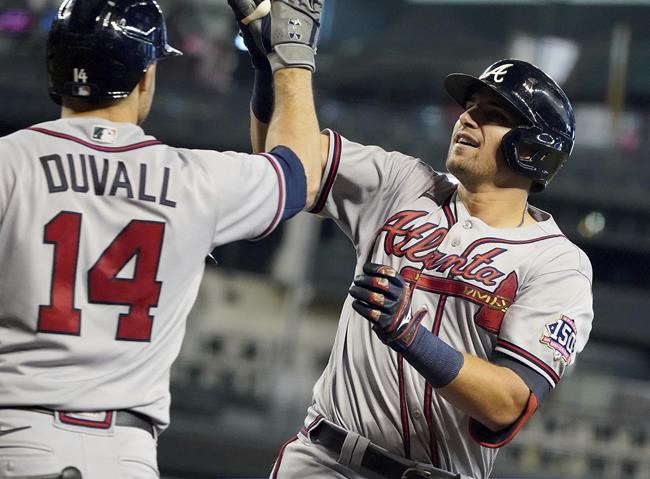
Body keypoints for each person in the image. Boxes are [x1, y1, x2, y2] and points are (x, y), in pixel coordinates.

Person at [236, 20, 594, 478]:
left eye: (494, 114)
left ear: (534, 151)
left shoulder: (557, 264)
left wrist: (411, 334)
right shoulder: (403, 183)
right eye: (470, 107)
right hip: (323, 459)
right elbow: (285, 164)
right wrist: (276, 68)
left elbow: (508, 404)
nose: (467, 117)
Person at [0, 0, 322, 478]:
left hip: (17, 438)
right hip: (126, 455)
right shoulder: (196, 179)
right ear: (145, 75)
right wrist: (283, 61)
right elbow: (302, 175)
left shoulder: (9, 163)